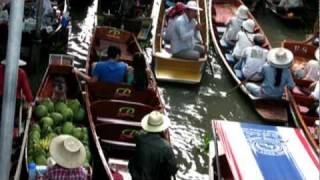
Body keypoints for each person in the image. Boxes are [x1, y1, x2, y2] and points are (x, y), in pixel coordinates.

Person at [129, 111, 178, 180]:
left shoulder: (139, 138)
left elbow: (141, 133)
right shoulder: (166, 147)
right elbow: (173, 169)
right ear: (162, 128)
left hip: (138, 177)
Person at [0, 59, 33, 124]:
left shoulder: (1, 69)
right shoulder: (21, 72)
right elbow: (26, 89)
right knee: (12, 119)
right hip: (14, 100)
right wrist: (30, 101)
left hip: (2, 98)